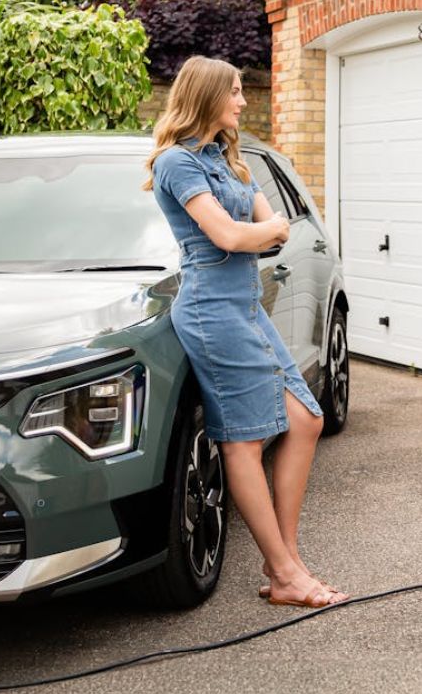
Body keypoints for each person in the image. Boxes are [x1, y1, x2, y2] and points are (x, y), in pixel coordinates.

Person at [143, 55, 349, 608]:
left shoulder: (227, 161)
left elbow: (270, 227)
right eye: (234, 92)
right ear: (208, 95)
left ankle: (287, 559)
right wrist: (259, 230)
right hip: (212, 308)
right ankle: (285, 573)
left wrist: (260, 230)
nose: (242, 100)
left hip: (246, 303)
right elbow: (231, 236)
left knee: (305, 419)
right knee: (243, 438)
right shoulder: (176, 164)